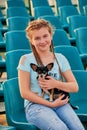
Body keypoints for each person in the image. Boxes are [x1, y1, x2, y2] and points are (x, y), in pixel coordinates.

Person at [17, 19, 85, 130]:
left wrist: (55, 84)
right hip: (35, 105)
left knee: (78, 128)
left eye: (45, 36)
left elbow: (74, 87)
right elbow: (24, 93)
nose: (42, 41)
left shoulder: (60, 58)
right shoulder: (25, 60)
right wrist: (50, 104)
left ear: (51, 36)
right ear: (31, 41)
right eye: (37, 38)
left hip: (59, 102)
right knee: (60, 128)